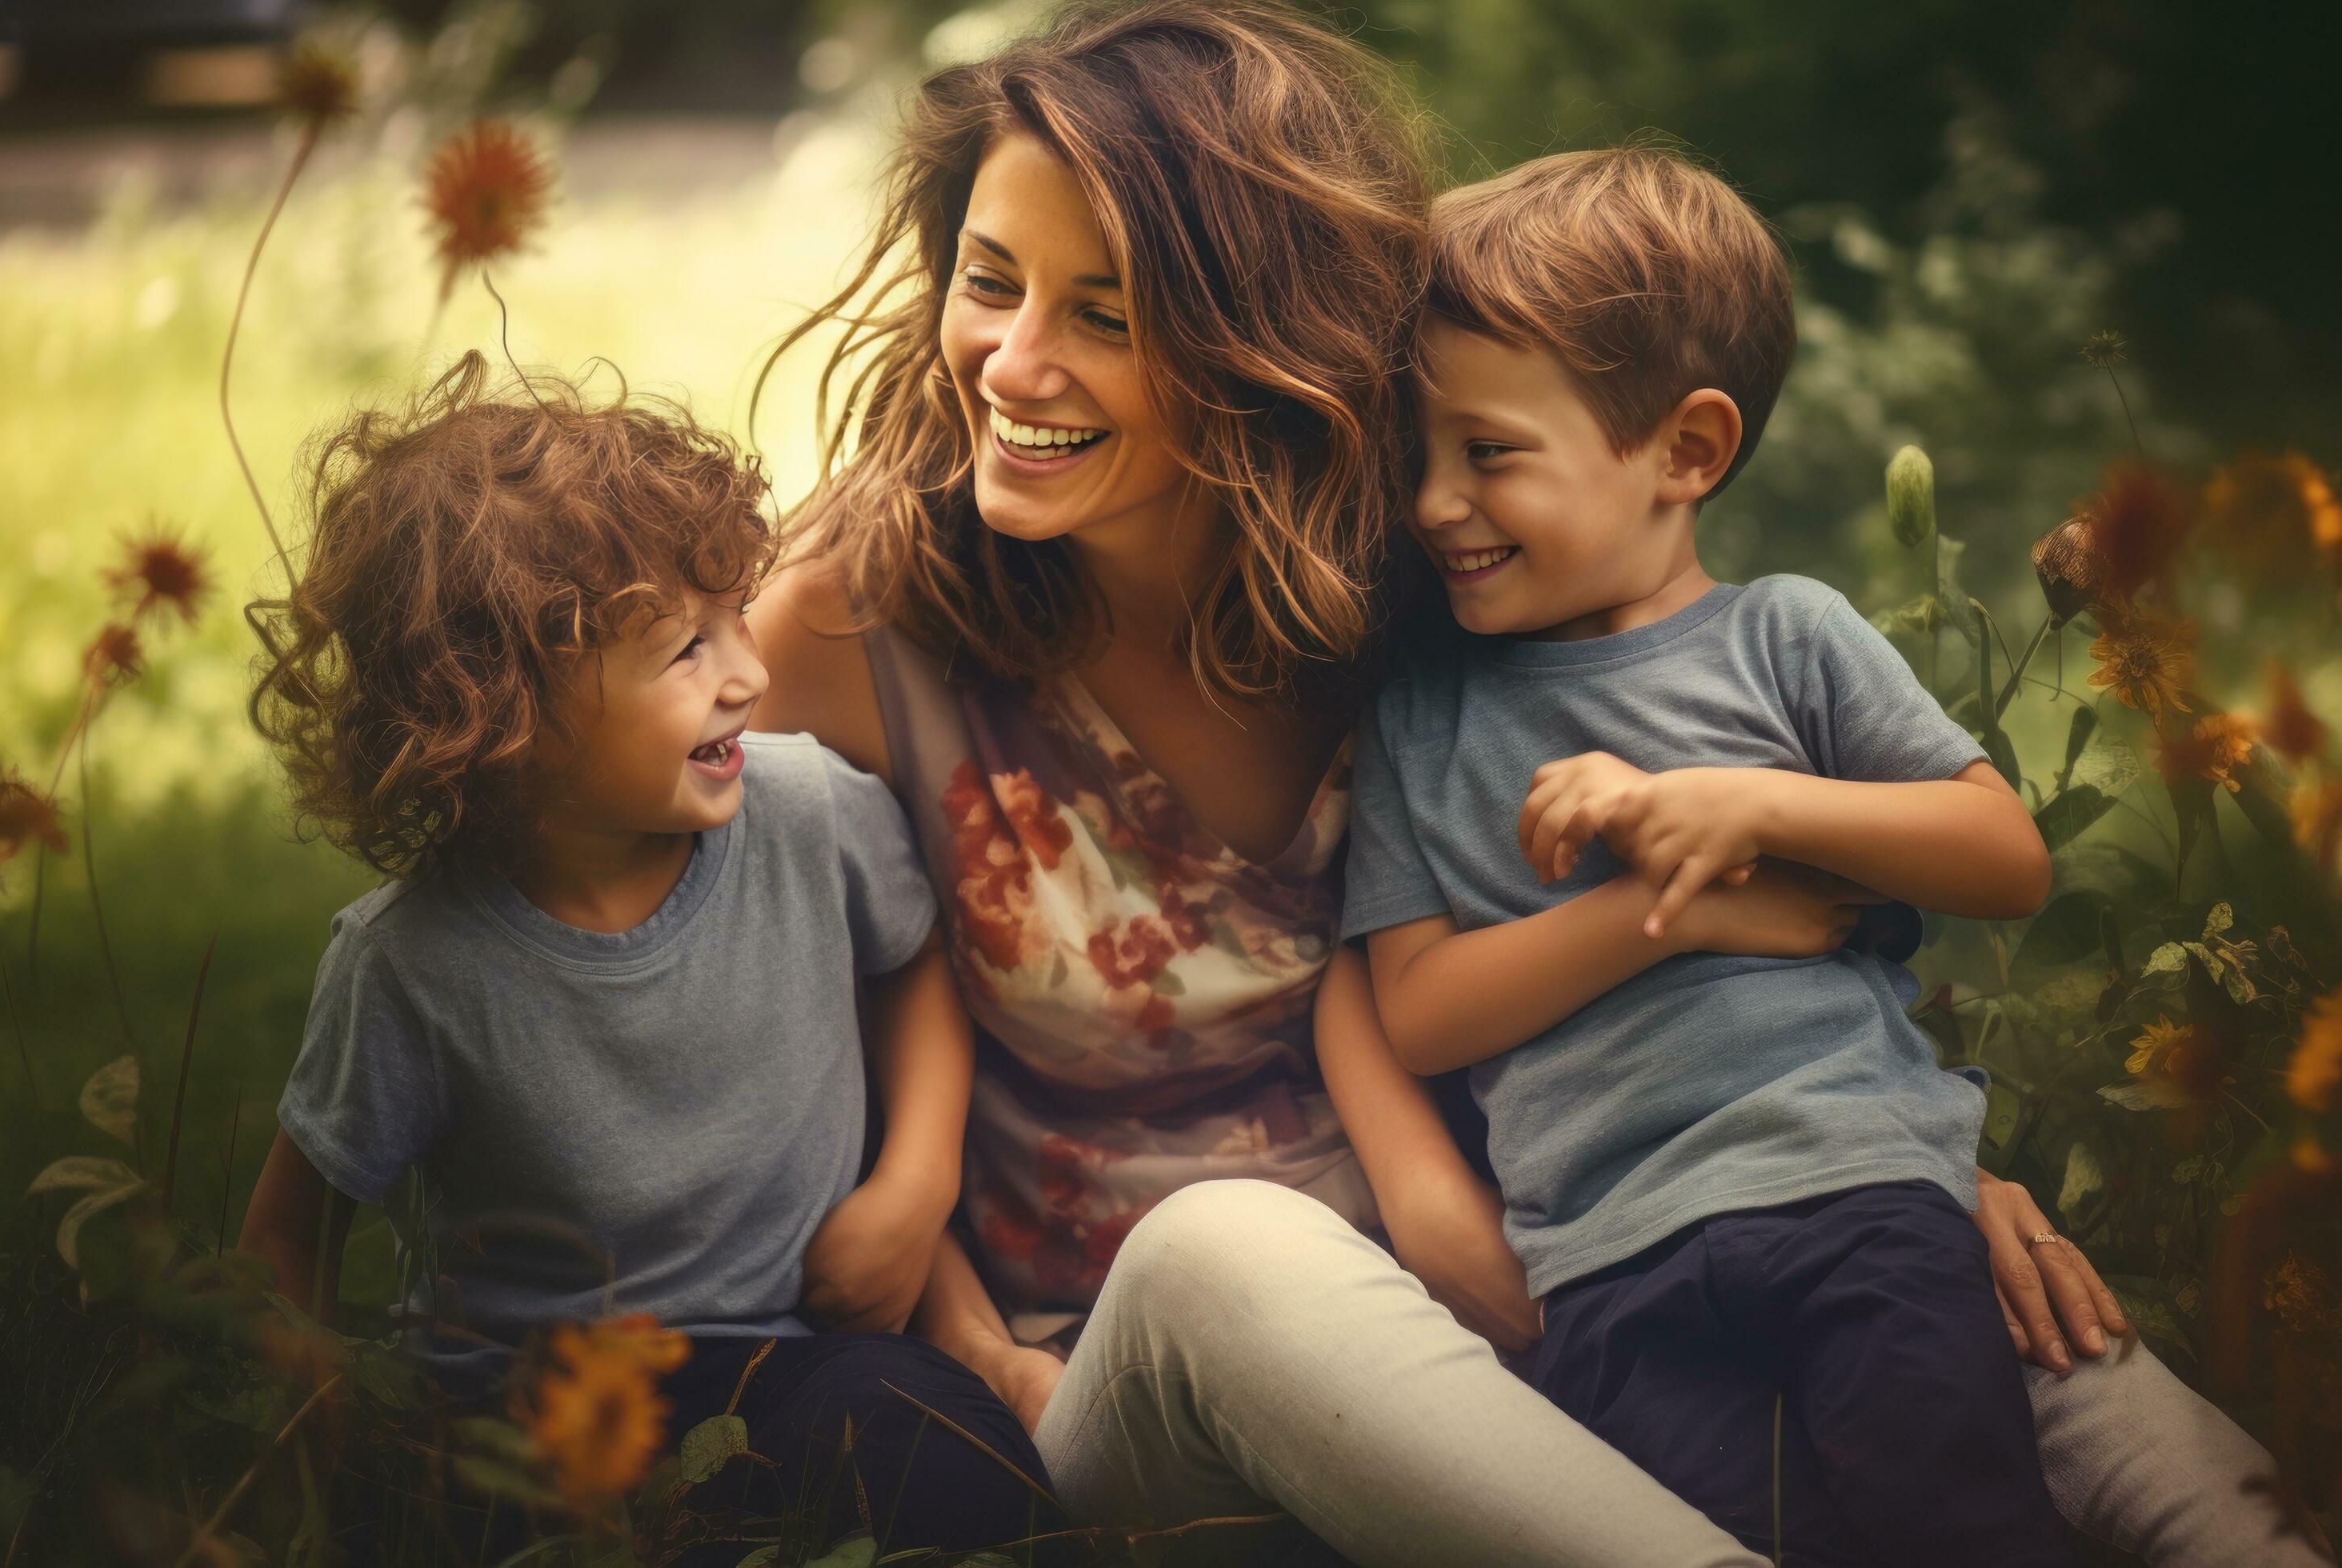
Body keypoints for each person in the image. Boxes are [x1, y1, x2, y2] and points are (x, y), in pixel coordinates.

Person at [751, 3, 2328, 1563]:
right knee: (1223, 1251)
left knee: (1979, 1307)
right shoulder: (858, 618)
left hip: (1578, 1269)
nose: (1013, 359)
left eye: (1106, 312)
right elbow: (798, 1068)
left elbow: (1690, 911)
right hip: (1159, 1352)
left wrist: (1888, 1153)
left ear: (1259, 347)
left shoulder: (1424, 578)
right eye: (989, 279)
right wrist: (972, 1348)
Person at [1345, 143, 2072, 1565]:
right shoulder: (1419, 713)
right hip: (1604, 1257)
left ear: (1686, 452)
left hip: (1855, 1187)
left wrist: (1755, 807)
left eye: (1489, 454)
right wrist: (1663, 915)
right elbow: (1420, 1011)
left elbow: (2004, 856)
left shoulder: (1787, 637)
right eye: (1416, 456)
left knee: (1955, 1518)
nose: (1434, 503)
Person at [234, 354, 1047, 1557]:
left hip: (787, 1362)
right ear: (503, 718)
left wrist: (914, 1187)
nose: (751, 673)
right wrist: (322, 1418)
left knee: (938, 1442)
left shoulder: (808, 814)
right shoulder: (413, 964)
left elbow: (917, 962)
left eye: (736, 619)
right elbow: (291, 1227)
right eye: (687, 651)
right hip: (522, 1407)